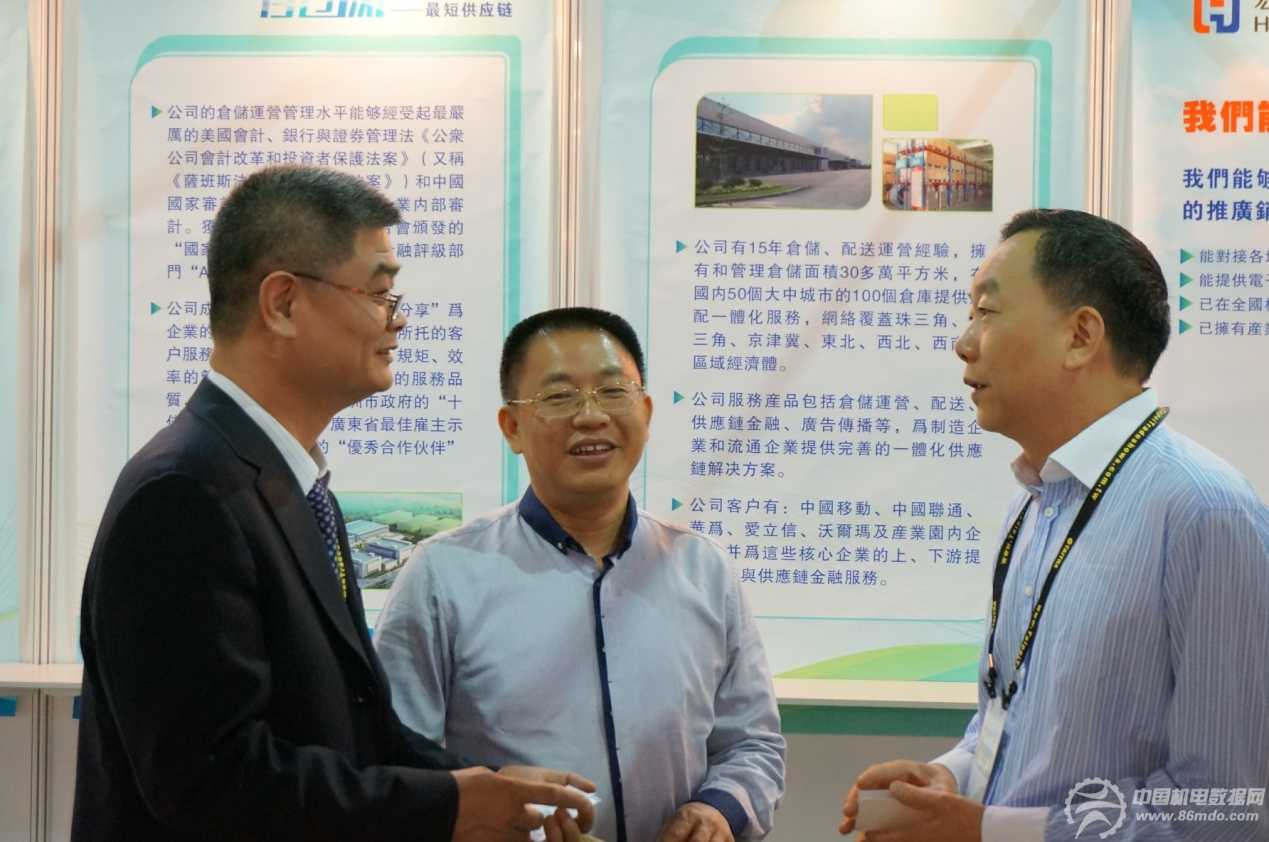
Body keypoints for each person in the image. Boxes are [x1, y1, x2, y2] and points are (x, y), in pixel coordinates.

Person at [72, 165, 595, 842]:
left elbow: (357, 729)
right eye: (378, 293)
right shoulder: (183, 494)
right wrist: (448, 808)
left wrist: (492, 792)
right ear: (283, 303)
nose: (397, 320)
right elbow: (212, 782)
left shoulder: (288, 483)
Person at [839, 209, 1269, 841]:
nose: (963, 343)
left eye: (987, 312)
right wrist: (953, 776)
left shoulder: (1206, 514)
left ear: (1080, 336)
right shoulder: (1038, 502)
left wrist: (992, 832)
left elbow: (1227, 809)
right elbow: (1012, 715)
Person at [374, 307, 786, 842]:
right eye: (560, 396)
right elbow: (396, 757)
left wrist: (718, 812)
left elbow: (752, 745)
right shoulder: (442, 576)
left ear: (646, 412)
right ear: (512, 427)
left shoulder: (704, 569)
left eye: (613, 392)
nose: (591, 417)